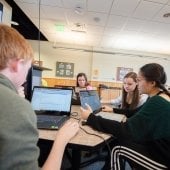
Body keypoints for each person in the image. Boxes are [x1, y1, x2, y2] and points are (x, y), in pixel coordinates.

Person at [0, 24, 79, 170]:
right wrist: (61, 139)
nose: (26, 78)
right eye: (28, 69)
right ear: (18, 65)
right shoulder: (18, 108)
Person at [80, 63, 170, 169]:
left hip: (162, 158)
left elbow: (126, 130)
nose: (138, 83)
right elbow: (134, 112)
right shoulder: (160, 96)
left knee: (117, 149)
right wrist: (113, 110)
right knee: (118, 141)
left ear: (152, 83)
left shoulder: (157, 102)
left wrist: (91, 118)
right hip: (155, 146)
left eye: (139, 80)